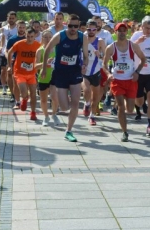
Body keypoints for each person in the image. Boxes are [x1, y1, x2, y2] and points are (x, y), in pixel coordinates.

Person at [41, 14, 89, 142]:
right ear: (66, 24)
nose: (73, 28)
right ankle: (65, 97)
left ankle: (69, 131)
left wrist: (84, 65)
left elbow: (85, 55)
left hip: (74, 72)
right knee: (64, 107)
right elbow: (47, 50)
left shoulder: (82, 37)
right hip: (60, 72)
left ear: (79, 26)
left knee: (75, 103)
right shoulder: (60, 36)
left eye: (76, 26)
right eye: (70, 26)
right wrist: (45, 68)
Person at [104, 22, 145, 142]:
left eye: (124, 31)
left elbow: (143, 59)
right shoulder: (111, 47)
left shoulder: (133, 46)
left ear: (126, 32)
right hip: (117, 80)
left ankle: (124, 119)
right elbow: (104, 64)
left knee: (130, 109)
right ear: (115, 32)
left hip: (131, 80)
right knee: (121, 107)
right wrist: (108, 74)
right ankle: (124, 132)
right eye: (119, 31)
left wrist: (137, 72)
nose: (122, 33)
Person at [130, 16, 150, 136]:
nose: (149, 31)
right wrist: (138, 43)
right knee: (138, 101)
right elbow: (129, 50)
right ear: (142, 27)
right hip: (138, 72)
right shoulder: (136, 36)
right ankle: (139, 107)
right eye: (147, 28)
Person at [7, 28, 41, 121]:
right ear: (25, 35)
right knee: (24, 91)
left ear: (35, 36)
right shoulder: (19, 44)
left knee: (33, 93)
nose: (30, 39)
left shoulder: (38, 45)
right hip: (19, 72)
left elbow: (43, 55)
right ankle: (25, 99)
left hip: (32, 73)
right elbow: (10, 52)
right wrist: (9, 65)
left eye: (32, 37)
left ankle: (33, 113)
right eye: (28, 36)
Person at [82, 20, 106, 126]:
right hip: (84, 69)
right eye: (89, 29)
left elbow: (104, 56)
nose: (91, 31)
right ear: (86, 29)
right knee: (86, 90)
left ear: (96, 30)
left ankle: (92, 115)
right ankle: (87, 104)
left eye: (93, 29)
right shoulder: (82, 38)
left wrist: (99, 54)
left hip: (96, 70)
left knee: (96, 96)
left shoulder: (100, 41)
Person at [36, 30, 60, 127]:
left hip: (55, 76)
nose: (48, 39)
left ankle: (54, 114)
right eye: (45, 37)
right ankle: (46, 116)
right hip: (43, 77)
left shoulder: (57, 49)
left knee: (54, 97)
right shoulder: (40, 50)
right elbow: (35, 66)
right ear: (42, 38)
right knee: (43, 100)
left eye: (50, 37)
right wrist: (45, 63)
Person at [6, 20, 27, 108]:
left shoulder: (28, 38)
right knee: (16, 83)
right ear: (17, 27)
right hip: (15, 63)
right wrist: (9, 62)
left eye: (23, 27)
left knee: (25, 83)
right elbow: (7, 52)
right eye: (20, 27)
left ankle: (24, 99)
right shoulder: (12, 39)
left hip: (26, 63)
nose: (21, 29)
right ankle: (17, 101)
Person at [0, 11, 17, 95]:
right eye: (10, 18)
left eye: (13, 18)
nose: (11, 20)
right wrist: (0, 47)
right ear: (7, 18)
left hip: (14, 53)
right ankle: (4, 87)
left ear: (15, 19)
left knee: (12, 72)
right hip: (4, 53)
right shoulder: (4, 28)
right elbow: (2, 39)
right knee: (3, 71)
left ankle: (12, 87)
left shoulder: (18, 28)